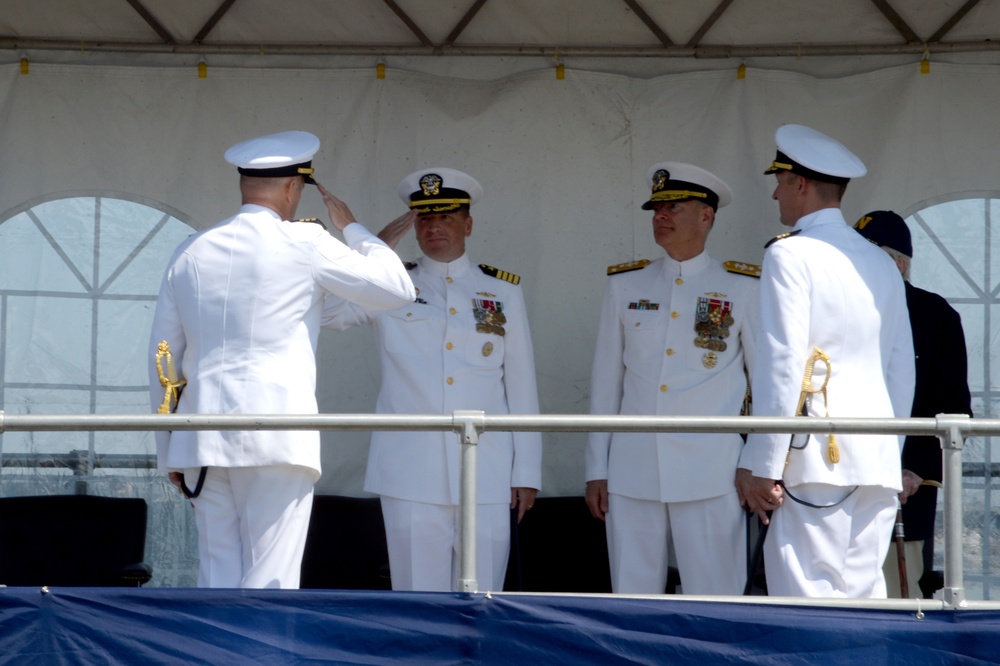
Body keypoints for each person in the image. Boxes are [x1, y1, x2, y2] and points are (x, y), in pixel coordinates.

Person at [147, 130, 416, 589]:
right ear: (294, 187)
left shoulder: (190, 250)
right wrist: (354, 228)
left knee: (217, 580)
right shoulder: (306, 241)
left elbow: (163, 356)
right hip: (277, 438)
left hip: (202, 440)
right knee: (270, 581)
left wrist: (167, 442)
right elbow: (397, 289)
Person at [322, 167, 542, 592]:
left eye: (445, 216)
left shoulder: (501, 292)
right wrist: (374, 250)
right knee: (418, 599)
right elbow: (328, 313)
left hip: (487, 470)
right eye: (424, 218)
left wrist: (526, 471)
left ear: (468, 225)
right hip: (410, 471)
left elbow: (521, 386)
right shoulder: (391, 283)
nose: (434, 226)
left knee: (484, 598)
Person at [736, 124, 915, 598]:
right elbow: (900, 369)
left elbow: (782, 363)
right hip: (874, 462)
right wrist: (888, 453)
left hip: (816, 459)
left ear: (799, 183)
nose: (775, 194)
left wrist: (765, 463)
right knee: (864, 601)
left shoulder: (790, 255)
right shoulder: (879, 262)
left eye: (779, 181)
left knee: (806, 600)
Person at [584, 161, 759, 595]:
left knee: (717, 597)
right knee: (631, 596)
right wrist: (596, 468)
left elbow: (767, 383)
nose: (660, 216)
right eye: (656, 209)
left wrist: (755, 462)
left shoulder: (743, 287)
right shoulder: (626, 285)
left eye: (673, 207)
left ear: (706, 215)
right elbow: (606, 382)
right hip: (632, 469)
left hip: (711, 470)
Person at [853, 210, 973, 599]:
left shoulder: (934, 316)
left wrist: (913, 470)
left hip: (903, 487)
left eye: (871, 256)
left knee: (894, 595)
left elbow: (954, 410)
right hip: (840, 478)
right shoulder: (840, 311)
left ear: (900, 264)